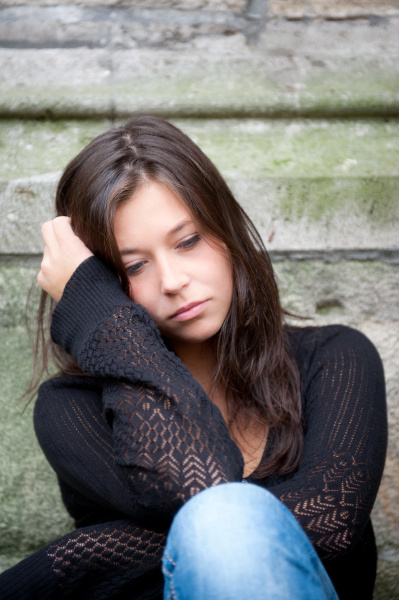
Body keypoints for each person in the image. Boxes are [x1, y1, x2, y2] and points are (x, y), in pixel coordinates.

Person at [0, 116, 387, 600]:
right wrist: (102, 318)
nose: (172, 280)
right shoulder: (69, 409)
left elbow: (329, 526)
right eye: (131, 266)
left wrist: (86, 554)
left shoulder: (335, 359)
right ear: (101, 286)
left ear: (226, 233)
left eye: (188, 241)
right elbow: (204, 488)